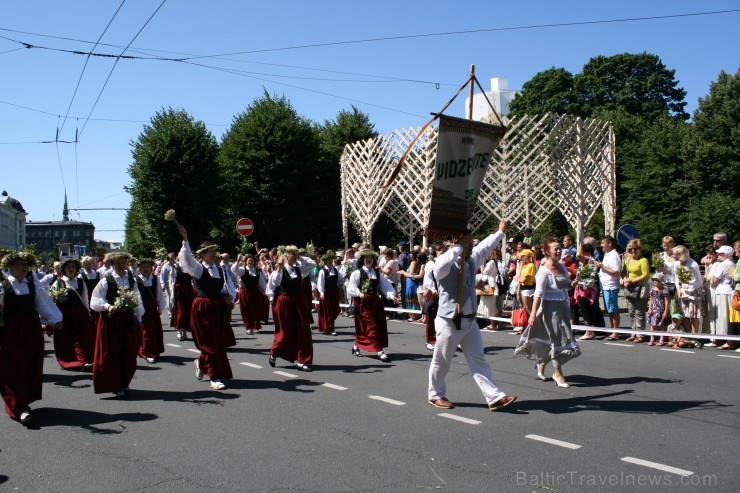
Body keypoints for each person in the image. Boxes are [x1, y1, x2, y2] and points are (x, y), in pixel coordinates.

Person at [428, 220, 517, 412]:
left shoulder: (470, 261)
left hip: (469, 321)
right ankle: (435, 394)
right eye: (467, 244)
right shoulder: (444, 265)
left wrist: (500, 233)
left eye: (470, 244)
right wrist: (459, 246)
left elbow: (484, 247)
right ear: (457, 244)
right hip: (449, 321)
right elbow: (441, 264)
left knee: (478, 359)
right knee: (442, 360)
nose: (470, 247)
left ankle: (494, 397)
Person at [0, 251, 63, 425]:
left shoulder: (32, 284)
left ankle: (24, 400)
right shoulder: (3, 285)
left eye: (26, 264)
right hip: (10, 330)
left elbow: (42, 303)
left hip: (31, 328)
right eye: (20, 264)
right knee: (12, 367)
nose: (24, 267)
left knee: (29, 364)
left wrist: (55, 319)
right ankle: (18, 407)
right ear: (11, 266)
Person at [516, 237, 581, 388]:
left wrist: (573, 284)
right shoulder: (543, 272)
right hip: (549, 309)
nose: (558, 251)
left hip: (563, 307)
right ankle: (558, 373)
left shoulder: (563, 267)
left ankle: (542, 362)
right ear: (547, 251)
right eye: (555, 249)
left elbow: (565, 287)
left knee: (562, 339)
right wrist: (532, 314)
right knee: (557, 340)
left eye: (559, 249)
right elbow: (538, 294)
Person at [177, 226, 234, 390]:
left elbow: (226, 287)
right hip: (202, 307)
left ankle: (201, 363)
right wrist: (186, 239)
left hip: (217, 307)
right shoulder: (198, 268)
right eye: (210, 251)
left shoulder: (220, 269)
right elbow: (186, 257)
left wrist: (229, 297)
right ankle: (214, 376)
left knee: (217, 341)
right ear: (202, 255)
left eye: (214, 251)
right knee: (209, 343)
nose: (213, 254)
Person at [90, 252, 145, 398]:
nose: (121, 266)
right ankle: (115, 384)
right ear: (112, 265)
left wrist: (139, 319)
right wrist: (108, 306)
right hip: (110, 321)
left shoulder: (131, 280)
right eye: (117, 263)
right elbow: (94, 301)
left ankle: (124, 382)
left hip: (127, 321)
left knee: (128, 352)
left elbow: (138, 300)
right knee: (111, 353)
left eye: (123, 263)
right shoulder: (105, 280)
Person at [265, 246, 316, 371]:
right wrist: (279, 267)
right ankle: (274, 352)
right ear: (286, 256)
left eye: (295, 254)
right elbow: (274, 284)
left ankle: (301, 360)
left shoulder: (299, 269)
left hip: (298, 302)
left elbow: (312, 264)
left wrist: (300, 256)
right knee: (285, 332)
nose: (295, 257)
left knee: (303, 330)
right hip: (285, 302)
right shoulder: (280, 270)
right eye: (292, 254)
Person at [346, 248, 399, 361]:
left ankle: (356, 345)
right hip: (363, 303)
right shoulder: (357, 272)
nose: (369, 259)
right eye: (367, 258)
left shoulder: (377, 273)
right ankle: (379, 350)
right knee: (371, 326)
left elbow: (384, 286)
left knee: (376, 325)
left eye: (371, 258)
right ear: (363, 259)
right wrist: (359, 293)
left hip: (375, 302)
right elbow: (351, 287)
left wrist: (391, 295)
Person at [49, 258, 95, 371]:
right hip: (65, 314)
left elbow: (85, 298)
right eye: (68, 267)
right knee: (67, 337)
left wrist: (87, 312)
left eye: (73, 267)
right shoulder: (58, 282)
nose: (71, 269)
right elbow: (52, 300)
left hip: (79, 313)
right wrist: (55, 317)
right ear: (64, 269)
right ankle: (72, 360)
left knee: (82, 336)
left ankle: (84, 360)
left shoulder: (80, 281)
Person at [136, 258, 167, 364]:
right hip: (142, 308)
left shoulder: (154, 278)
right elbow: (135, 296)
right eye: (144, 267)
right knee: (146, 331)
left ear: (151, 268)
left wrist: (160, 307)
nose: (146, 269)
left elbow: (159, 293)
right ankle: (148, 353)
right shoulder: (136, 280)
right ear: (140, 269)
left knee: (155, 329)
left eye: (148, 267)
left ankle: (154, 349)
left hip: (152, 307)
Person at [622, 239, 650, 343]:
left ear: (639, 249)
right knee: (631, 311)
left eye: (635, 249)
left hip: (640, 288)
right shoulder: (628, 260)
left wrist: (632, 280)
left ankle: (640, 333)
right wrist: (625, 279)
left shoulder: (643, 260)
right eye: (630, 249)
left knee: (639, 312)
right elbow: (623, 272)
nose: (633, 251)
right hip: (629, 287)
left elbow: (645, 275)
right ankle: (633, 333)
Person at [233, 254, 268, 335]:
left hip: (255, 293)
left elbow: (262, 284)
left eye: (251, 260)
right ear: (246, 262)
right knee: (246, 311)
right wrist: (238, 261)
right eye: (248, 260)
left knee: (256, 310)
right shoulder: (242, 270)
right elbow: (234, 269)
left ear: (254, 262)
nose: (250, 262)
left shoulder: (258, 271)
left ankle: (254, 324)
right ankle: (249, 327)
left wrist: (268, 295)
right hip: (245, 292)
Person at [596, 236, 622, 340]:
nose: (601, 245)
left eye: (603, 243)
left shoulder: (614, 255)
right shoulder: (607, 254)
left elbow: (615, 272)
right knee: (610, 309)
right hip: (606, 286)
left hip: (611, 286)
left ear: (610, 244)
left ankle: (616, 332)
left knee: (613, 309)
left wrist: (602, 267)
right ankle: (613, 330)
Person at [711, 245, 736, 350]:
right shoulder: (732, 263)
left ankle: (726, 339)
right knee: (728, 316)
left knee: (723, 316)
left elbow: (715, 280)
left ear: (726, 255)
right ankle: (730, 340)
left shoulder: (723, 264)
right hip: (729, 291)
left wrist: (710, 271)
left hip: (722, 291)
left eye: (721, 254)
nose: (718, 255)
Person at [316, 251, 344, 336]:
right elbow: (320, 283)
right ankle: (330, 328)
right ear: (325, 261)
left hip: (334, 292)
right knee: (328, 311)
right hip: (326, 293)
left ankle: (328, 325)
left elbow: (341, 279)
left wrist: (346, 273)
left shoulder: (335, 270)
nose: (331, 261)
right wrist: (321, 293)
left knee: (336, 310)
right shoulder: (322, 271)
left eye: (331, 259)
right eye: (329, 260)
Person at [169, 256, 194, 342]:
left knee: (188, 310)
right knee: (181, 311)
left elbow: (194, 279)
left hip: (188, 290)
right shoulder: (176, 267)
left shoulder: (190, 267)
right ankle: (179, 331)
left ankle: (185, 331)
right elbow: (172, 279)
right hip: (179, 290)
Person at [647, 272, 670, 346]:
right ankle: (652, 339)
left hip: (661, 309)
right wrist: (649, 308)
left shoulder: (664, 290)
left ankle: (661, 339)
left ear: (661, 281)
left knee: (661, 324)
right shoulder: (653, 289)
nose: (655, 282)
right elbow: (651, 299)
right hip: (654, 309)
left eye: (656, 280)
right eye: (653, 280)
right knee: (653, 324)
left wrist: (665, 311)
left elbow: (666, 301)